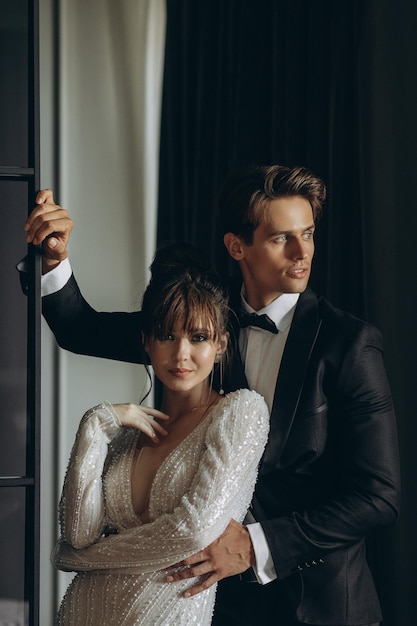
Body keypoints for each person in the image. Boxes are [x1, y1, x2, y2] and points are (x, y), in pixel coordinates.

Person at [24, 164, 400, 626]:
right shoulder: (199, 319)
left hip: (317, 604)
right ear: (236, 246)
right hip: (207, 603)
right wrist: (53, 258)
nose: (303, 252)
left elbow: (378, 494)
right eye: (282, 238)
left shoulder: (349, 343)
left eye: (308, 233)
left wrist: (257, 545)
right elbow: (82, 328)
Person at [49, 241, 270, 625]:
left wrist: (75, 559)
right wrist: (95, 424)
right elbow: (78, 531)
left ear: (220, 345)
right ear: (146, 342)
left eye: (198, 337)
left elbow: (192, 532)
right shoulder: (124, 437)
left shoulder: (240, 413)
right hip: (82, 613)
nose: (181, 354)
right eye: (167, 336)